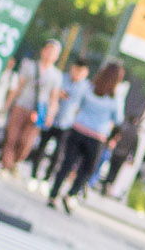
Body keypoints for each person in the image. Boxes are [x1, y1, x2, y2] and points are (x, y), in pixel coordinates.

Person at [47, 61, 124, 211]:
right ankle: (71, 194)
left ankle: (53, 195)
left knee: (66, 164)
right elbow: (118, 120)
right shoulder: (115, 98)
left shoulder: (89, 88)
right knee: (88, 170)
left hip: (77, 130)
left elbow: (77, 104)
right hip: (97, 137)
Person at [0, 40, 64, 175]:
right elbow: (19, 86)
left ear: (57, 57)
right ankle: (6, 166)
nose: (49, 54)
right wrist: (7, 104)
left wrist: (51, 114)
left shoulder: (56, 75)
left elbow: (54, 98)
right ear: (43, 50)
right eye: (48, 50)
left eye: (53, 52)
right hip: (21, 105)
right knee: (11, 137)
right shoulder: (29, 66)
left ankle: (15, 162)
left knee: (26, 142)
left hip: (38, 111)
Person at [32, 58, 89, 181]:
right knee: (41, 147)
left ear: (85, 73)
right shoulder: (61, 78)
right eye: (76, 70)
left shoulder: (86, 88)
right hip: (51, 118)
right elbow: (48, 93)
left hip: (67, 123)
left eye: (81, 72)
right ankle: (34, 175)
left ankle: (47, 179)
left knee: (58, 153)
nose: (77, 73)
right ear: (72, 68)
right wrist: (57, 95)